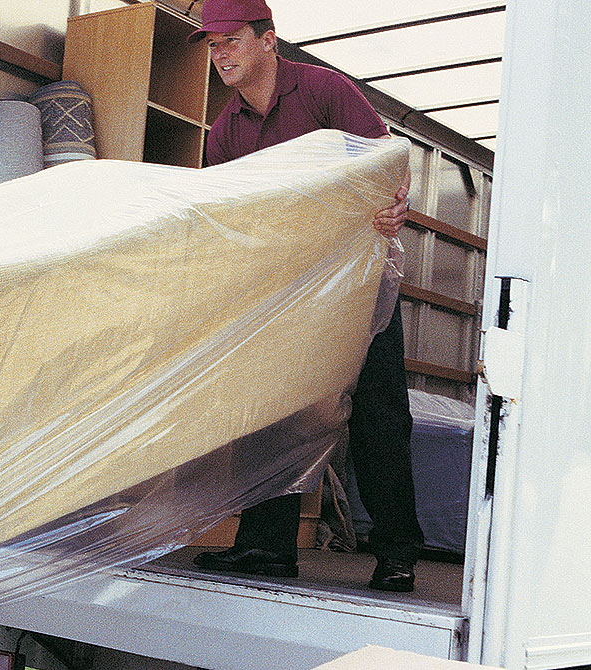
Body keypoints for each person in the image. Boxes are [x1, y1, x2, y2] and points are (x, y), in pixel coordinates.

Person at [188, 0, 425, 592]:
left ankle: (396, 552)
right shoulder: (228, 130)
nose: (220, 56)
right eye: (213, 46)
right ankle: (267, 549)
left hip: (358, 282)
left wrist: (397, 201)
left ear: (269, 39)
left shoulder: (324, 92)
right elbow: (227, 216)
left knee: (377, 412)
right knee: (273, 414)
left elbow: (388, 158)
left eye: (232, 41)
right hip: (288, 292)